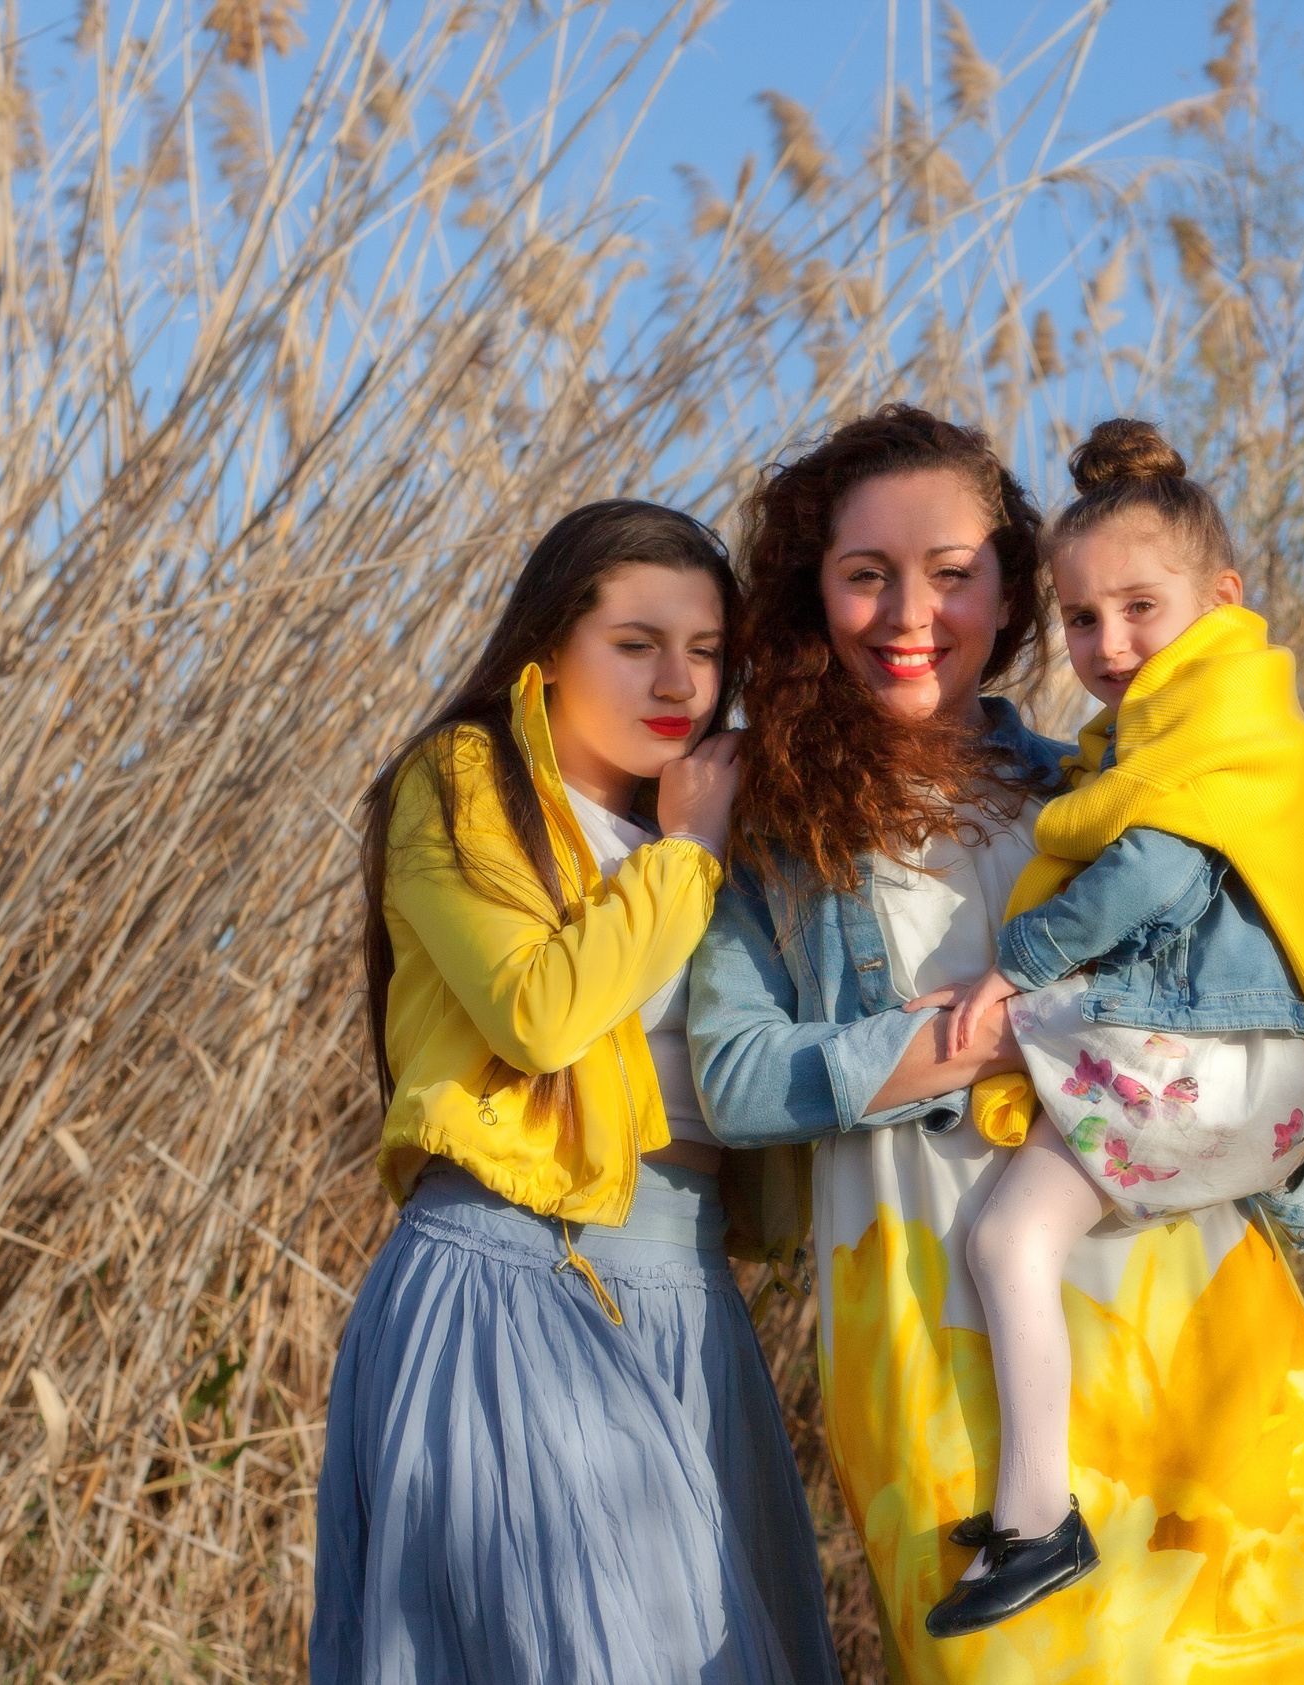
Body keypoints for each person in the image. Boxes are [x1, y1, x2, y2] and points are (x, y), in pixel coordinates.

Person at [692, 407, 1304, 1682]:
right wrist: (983, 1042)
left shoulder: (1093, 785)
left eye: (951, 572)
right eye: (865, 572)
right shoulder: (768, 820)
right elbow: (733, 1077)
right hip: (929, 1304)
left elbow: (1277, 1008)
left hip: (1176, 1286)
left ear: (1010, 586)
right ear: (811, 590)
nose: (907, 610)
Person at [312, 500, 840, 1685]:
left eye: (707, 651)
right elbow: (539, 1012)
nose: (681, 681)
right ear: (547, 656)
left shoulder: (723, 826)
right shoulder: (462, 780)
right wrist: (687, 853)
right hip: (517, 1276)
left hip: (690, 1295)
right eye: (637, 642)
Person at [916, 418, 1304, 1636]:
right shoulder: (1190, 729)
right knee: (1017, 1232)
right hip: (1221, 1057)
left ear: (1222, 597)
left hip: (1206, 1051)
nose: (1108, 643)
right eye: (1082, 620)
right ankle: (1036, 1498)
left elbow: (1146, 878)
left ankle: (1040, 1517)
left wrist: (1007, 969)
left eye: (1140, 607)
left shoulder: (1215, 734)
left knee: (1009, 1239)